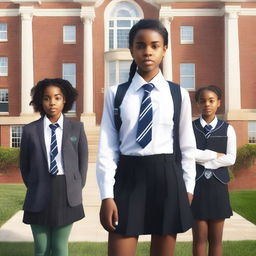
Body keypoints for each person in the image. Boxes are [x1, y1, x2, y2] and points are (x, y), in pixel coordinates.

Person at [96, 19, 196, 256]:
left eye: (155, 45)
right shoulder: (116, 94)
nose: (147, 51)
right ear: (132, 50)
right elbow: (107, 149)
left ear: (164, 49)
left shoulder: (177, 94)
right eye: (140, 45)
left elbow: (187, 146)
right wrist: (106, 195)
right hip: (128, 177)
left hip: (166, 178)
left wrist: (189, 187)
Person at [20, 78, 88, 256]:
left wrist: (75, 187)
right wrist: (36, 184)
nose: (52, 103)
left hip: (66, 194)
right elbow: (24, 166)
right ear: (40, 102)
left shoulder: (77, 128)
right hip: (38, 193)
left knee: (59, 248)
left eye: (57, 98)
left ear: (65, 100)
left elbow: (82, 163)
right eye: (46, 98)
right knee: (41, 249)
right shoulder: (29, 131)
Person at [191, 85, 237, 256]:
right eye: (202, 101)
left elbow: (231, 158)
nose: (207, 104)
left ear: (219, 103)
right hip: (197, 187)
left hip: (218, 188)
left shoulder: (228, 129)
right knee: (199, 240)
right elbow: (188, 154)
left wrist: (204, 162)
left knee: (216, 241)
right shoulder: (189, 128)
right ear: (197, 104)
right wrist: (213, 155)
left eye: (211, 101)